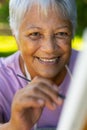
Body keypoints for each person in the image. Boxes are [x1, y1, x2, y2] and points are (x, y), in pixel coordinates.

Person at [0, 0, 78, 130]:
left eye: (61, 33)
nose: (50, 48)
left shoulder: (83, 68)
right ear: (16, 38)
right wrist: (14, 126)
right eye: (35, 34)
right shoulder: (2, 77)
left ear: (72, 35)